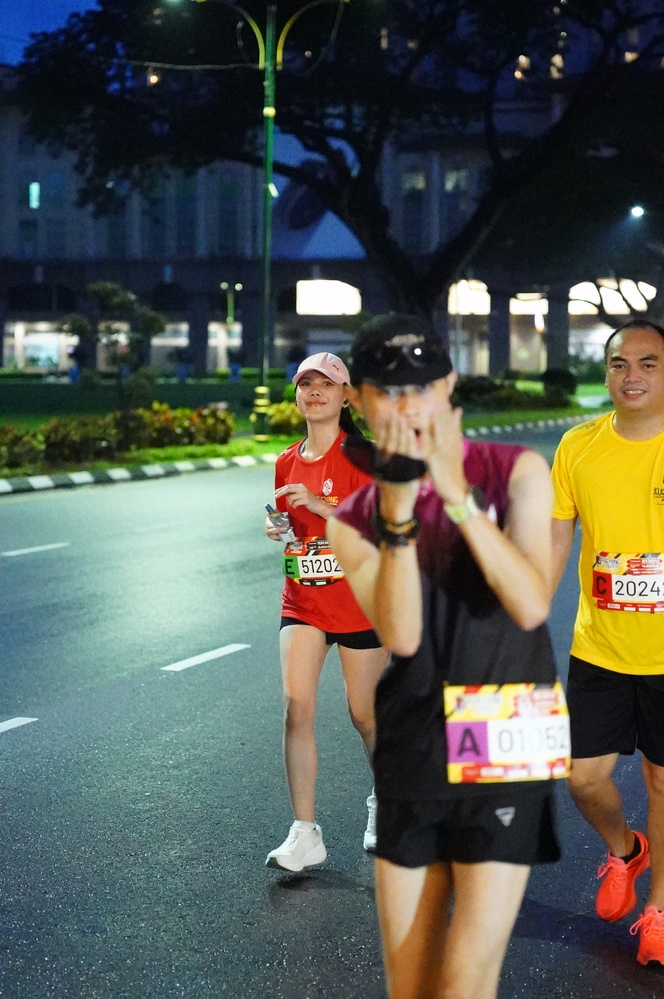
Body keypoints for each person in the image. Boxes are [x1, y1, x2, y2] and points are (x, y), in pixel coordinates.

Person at [328, 314, 567, 999]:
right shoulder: (353, 517)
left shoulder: (515, 470)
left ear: (451, 383)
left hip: (508, 731)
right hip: (413, 743)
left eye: (423, 386)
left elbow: (530, 603)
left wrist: (459, 498)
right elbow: (401, 636)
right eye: (387, 391)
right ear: (359, 400)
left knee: (465, 980)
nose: (407, 406)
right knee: (412, 985)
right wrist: (399, 517)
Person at [551, 319, 664, 966]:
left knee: (661, 780)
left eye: (648, 363)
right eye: (620, 363)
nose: (632, 375)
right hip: (600, 647)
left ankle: (658, 911)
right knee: (583, 779)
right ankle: (626, 849)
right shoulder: (579, 446)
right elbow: (555, 539)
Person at [265, 351, 388, 873]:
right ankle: (304, 832)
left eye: (326, 384)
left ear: (344, 397)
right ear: (297, 395)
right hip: (304, 600)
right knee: (296, 705)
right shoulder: (285, 460)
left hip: (360, 601)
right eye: (306, 384)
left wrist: (322, 507)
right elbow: (292, 527)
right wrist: (281, 529)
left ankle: (386, 800)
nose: (315, 392)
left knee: (365, 714)